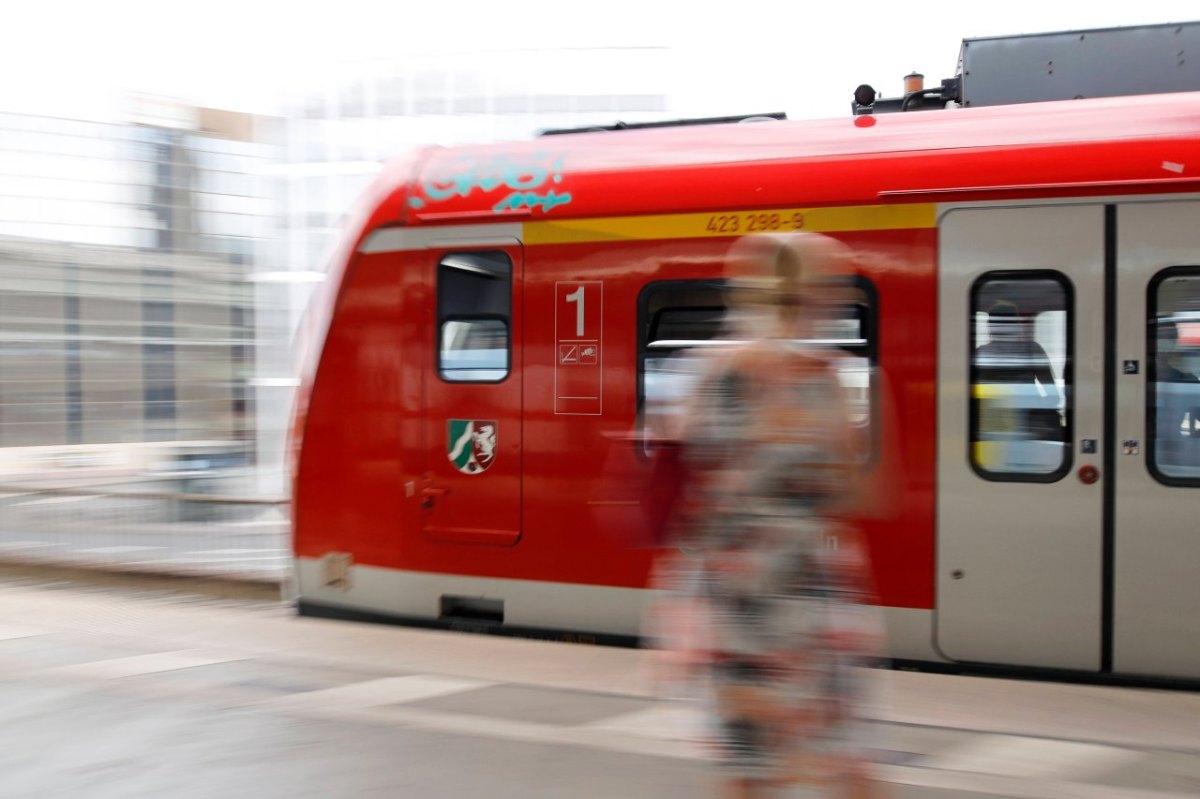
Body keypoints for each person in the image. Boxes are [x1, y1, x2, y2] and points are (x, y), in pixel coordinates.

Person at [650, 233, 882, 799]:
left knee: (748, 771)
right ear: (817, 295)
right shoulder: (826, 377)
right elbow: (861, 497)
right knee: (840, 764)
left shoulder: (704, 371)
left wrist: (673, 609)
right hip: (805, 598)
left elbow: (679, 489)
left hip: (732, 601)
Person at [974, 300, 1063, 442]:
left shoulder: (979, 354)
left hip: (990, 425)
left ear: (990, 327)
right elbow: (1053, 395)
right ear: (1016, 325)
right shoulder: (1032, 349)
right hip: (1030, 426)